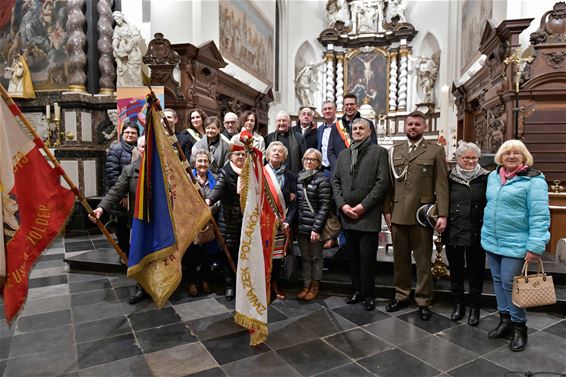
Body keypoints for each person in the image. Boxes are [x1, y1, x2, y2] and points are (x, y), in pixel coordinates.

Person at [481, 139, 550, 352]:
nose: (511, 156)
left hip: (517, 243)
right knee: (498, 281)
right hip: (493, 240)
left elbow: (540, 216)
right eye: (507, 153)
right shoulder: (493, 177)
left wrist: (535, 246)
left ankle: (520, 327)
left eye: (516, 153)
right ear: (500, 157)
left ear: (524, 157)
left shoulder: (534, 180)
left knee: (511, 284)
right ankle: (505, 321)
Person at [383, 110, 449, 321]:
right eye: (410, 124)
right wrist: (386, 210)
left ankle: (423, 300)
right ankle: (401, 295)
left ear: (424, 127)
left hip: (422, 216)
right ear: (405, 126)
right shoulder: (395, 151)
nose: (413, 127)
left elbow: (441, 184)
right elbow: (390, 185)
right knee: (400, 260)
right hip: (398, 214)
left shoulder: (435, 151)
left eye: (417, 125)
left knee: (422, 262)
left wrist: (443, 214)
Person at [332, 118, 390, 311]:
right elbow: (336, 182)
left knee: (367, 259)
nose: (357, 131)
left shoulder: (380, 152)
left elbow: (382, 183)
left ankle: (369, 294)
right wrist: (342, 205)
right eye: (354, 128)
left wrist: (363, 206)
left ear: (369, 131)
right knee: (353, 258)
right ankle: (356, 290)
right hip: (347, 215)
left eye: (361, 128)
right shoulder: (343, 154)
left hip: (368, 215)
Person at [90, 136, 148, 304]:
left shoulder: (162, 170)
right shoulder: (129, 170)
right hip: (139, 221)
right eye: (143, 147)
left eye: (149, 146)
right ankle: (142, 286)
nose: (146, 150)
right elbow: (115, 190)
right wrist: (101, 208)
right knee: (140, 256)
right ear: (138, 149)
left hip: (159, 221)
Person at [444, 141, 489, 326]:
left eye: (473, 158)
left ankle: (474, 308)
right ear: (458, 158)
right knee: (455, 271)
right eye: (466, 158)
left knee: (476, 272)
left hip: (477, 232)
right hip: (453, 231)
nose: (470, 161)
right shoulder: (449, 177)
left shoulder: (487, 177)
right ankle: (458, 305)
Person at [206, 142, 247, 300]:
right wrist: (209, 200)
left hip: (246, 218)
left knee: (244, 252)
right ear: (230, 156)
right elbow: (218, 188)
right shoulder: (226, 171)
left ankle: (243, 284)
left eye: (243, 154)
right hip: (229, 219)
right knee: (229, 252)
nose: (241, 157)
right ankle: (230, 285)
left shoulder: (250, 172)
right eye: (237, 154)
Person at [296, 149, 331, 301]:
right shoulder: (299, 177)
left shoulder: (322, 180)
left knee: (316, 258)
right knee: (305, 258)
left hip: (314, 227)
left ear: (318, 163)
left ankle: (315, 286)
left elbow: (324, 206)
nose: (308, 162)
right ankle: (306, 285)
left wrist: (316, 229)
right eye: (306, 159)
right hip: (301, 225)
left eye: (313, 159)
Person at [264, 141, 297, 300]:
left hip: (281, 224)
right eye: (274, 150)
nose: (277, 153)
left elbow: (294, 202)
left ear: (284, 157)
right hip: (264, 223)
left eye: (280, 151)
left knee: (277, 257)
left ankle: (274, 284)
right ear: (268, 154)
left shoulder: (290, 176)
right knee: (264, 255)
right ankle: (264, 284)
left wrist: (288, 221)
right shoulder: (261, 173)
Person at [185, 149, 219, 296]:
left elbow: (219, 200)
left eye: (206, 161)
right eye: (200, 161)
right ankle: (192, 282)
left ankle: (206, 280)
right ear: (194, 163)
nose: (203, 164)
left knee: (208, 254)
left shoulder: (216, 179)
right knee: (192, 255)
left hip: (210, 223)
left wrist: (209, 211)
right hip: (192, 223)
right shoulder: (187, 178)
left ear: (210, 163)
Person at [105, 123, 139, 256]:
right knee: (123, 226)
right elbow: (112, 174)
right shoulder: (116, 149)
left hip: (135, 195)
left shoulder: (139, 148)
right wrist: (123, 196)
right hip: (122, 197)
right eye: (127, 132)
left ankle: (135, 252)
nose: (130, 135)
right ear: (122, 134)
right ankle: (124, 253)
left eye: (133, 133)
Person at [327, 93, 377, 171]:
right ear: (343, 107)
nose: (349, 107)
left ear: (357, 106)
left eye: (352, 104)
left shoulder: (368, 124)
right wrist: (337, 167)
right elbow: (330, 152)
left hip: (363, 169)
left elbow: (373, 147)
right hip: (341, 170)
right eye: (347, 105)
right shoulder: (336, 126)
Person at [112, 11, 143, 87]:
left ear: (121, 18)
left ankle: (136, 89)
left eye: (118, 19)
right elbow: (115, 40)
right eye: (115, 20)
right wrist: (115, 48)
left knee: (133, 72)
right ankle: (124, 89)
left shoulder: (130, 27)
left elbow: (137, 37)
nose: (117, 21)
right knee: (122, 71)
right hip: (122, 51)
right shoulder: (117, 28)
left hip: (131, 50)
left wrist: (129, 45)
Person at [317, 100, 337, 179]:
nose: (327, 111)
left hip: (337, 168)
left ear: (335, 110)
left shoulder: (342, 127)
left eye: (330, 108)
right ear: (322, 111)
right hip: (322, 169)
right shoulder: (320, 129)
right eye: (325, 109)